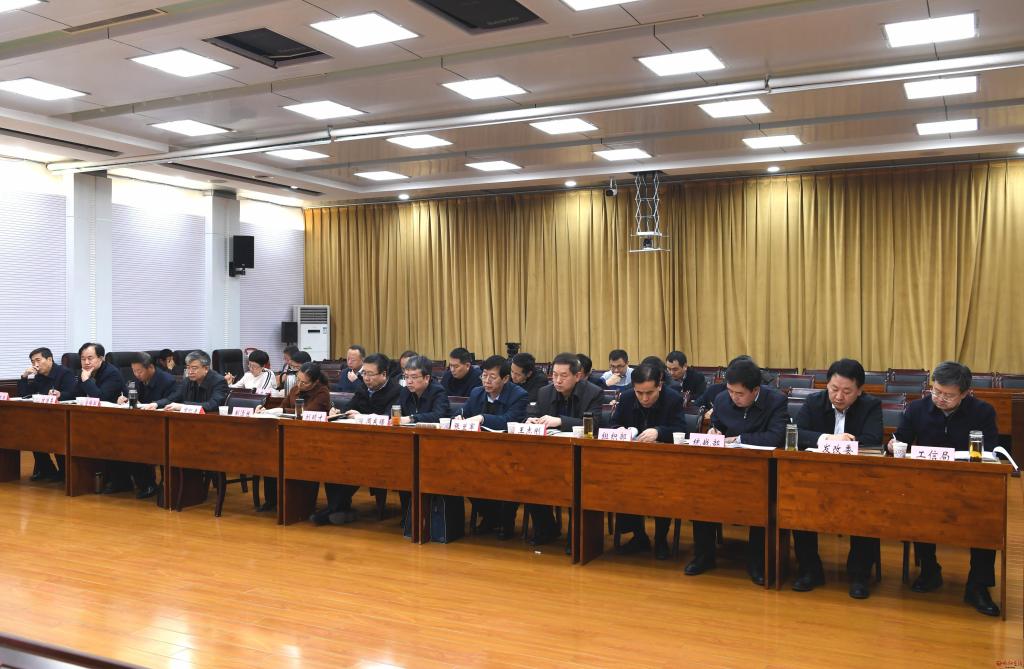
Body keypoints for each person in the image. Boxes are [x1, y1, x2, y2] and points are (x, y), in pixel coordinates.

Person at [892, 361, 1000, 617]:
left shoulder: (983, 411)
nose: (940, 398)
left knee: (987, 518)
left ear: (965, 393)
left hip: (970, 484)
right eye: (936, 391)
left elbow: (990, 450)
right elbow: (900, 439)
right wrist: (893, 446)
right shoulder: (917, 408)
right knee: (918, 508)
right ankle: (930, 571)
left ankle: (978, 585)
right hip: (927, 482)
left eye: (948, 395)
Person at [687, 358, 787, 584]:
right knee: (701, 493)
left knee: (761, 500)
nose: (733, 397)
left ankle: (757, 563)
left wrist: (738, 439)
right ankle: (703, 556)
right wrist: (714, 431)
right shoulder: (722, 399)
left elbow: (775, 437)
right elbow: (719, 425)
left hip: (762, 471)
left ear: (755, 390)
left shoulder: (776, 401)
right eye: (730, 391)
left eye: (739, 394)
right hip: (726, 468)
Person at [792, 358, 883, 598]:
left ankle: (860, 575)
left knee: (866, 509)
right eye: (834, 389)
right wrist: (828, 439)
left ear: (860, 391)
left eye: (847, 391)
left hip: (857, 478)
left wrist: (847, 442)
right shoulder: (814, 402)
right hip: (816, 477)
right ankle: (810, 570)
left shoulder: (871, 405)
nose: (839, 396)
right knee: (798, 503)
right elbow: (796, 433)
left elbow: (873, 440)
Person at [608, 363, 687, 559]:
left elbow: (682, 431)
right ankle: (639, 536)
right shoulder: (627, 397)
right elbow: (613, 423)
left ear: (659, 385)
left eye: (649, 393)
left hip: (665, 464)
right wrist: (618, 430)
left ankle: (661, 539)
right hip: (632, 463)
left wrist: (659, 431)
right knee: (623, 484)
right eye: (639, 393)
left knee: (662, 491)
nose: (644, 398)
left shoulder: (673, 399)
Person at [525, 352, 604, 546]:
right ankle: (547, 529)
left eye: (563, 376)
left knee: (577, 485)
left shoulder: (593, 392)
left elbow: (595, 425)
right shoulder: (544, 392)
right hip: (550, 456)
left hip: (582, 458)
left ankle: (576, 536)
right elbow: (533, 415)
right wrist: (531, 420)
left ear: (578, 376)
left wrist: (560, 421)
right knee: (529, 477)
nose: (557, 380)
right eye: (554, 375)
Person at [312, 353, 400, 526]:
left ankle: (332, 511)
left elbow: (388, 418)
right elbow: (349, 408)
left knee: (355, 465)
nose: (366, 378)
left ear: (384, 374)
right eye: (364, 373)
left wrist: (361, 416)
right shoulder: (363, 389)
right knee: (332, 462)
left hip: (383, 446)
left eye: (370, 374)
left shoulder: (396, 391)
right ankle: (341, 510)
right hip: (357, 442)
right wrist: (338, 412)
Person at [460, 355, 529, 539]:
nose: (486, 381)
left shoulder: (519, 395)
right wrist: (459, 418)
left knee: (509, 477)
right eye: (484, 375)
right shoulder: (477, 393)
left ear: (505, 379)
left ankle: (505, 520)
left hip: (510, 454)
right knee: (461, 474)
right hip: (479, 453)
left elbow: (510, 420)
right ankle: (491, 517)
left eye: (492, 377)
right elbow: (465, 414)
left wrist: (483, 418)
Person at [257, 361, 333, 512]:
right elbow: (282, 407)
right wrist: (267, 411)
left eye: (304, 382)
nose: (299, 384)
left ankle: (302, 503)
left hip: (312, 439)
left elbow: (307, 413)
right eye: (298, 379)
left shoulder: (322, 392)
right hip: (290, 435)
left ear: (315, 382)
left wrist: (283, 411)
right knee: (272, 456)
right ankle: (272, 500)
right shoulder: (294, 389)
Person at [108, 352, 178, 498]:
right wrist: (123, 399)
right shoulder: (137, 380)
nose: (136, 374)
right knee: (115, 439)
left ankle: (148, 485)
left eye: (139, 371)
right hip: (140, 424)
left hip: (162, 426)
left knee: (135, 443)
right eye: (134, 371)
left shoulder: (167, 380)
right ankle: (123, 482)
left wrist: (156, 404)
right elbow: (133, 397)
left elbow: (173, 399)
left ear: (150, 367)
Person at [17, 347, 76, 481]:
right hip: (44, 416)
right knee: (31, 433)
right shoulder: (39, 376)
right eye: (33, 362)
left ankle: (64, 472)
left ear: (49, 359)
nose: (35, 365)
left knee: (55, 436)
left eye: (38, 360)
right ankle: (47, 470)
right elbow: (24, 395)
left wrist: (60, 394)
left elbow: (74, 394)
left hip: (63, 417)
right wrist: (24, 377)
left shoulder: (65, 373)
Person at [146, 350, 228, 413]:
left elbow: (212, 405)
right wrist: (156, 404)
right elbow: (172, 398)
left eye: (194, 368)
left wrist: (183, 406)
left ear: (206, 368)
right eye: (188, 367)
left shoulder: (219, 381)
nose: (190, 371)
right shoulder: (187, 381)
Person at [398, 356, 450, 424]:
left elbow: (438, 415)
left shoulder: (438, 391)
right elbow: (396, 410)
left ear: (426, 378)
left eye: (414, 377)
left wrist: (412, 418)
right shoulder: (405, 391)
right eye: (406, 377)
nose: (409, 381)